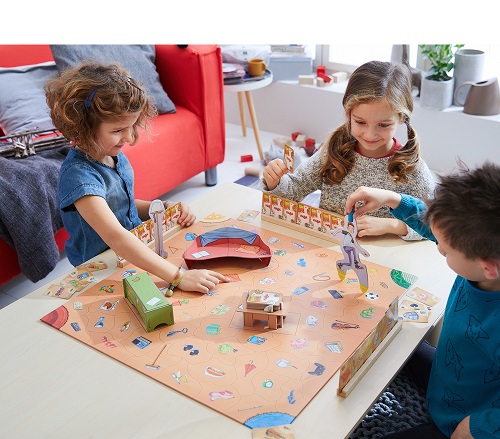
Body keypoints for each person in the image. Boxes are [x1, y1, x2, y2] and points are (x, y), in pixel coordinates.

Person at [341, 161, 500, 439]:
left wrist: (477, 427)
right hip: (451, 375)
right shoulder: (484, 258)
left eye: (444, 249)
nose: (438, 246)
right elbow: (438, 226)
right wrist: (392, 199)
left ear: (488, 268)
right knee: (390, 339)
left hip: (463, 435)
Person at [45, 61, 228, 294]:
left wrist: (161, 207)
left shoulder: (112, 154)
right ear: (83, 128)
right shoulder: (80, 179)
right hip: (100, 270)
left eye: (132, 127)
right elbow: (117, 238)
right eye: (117, 130)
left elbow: (123, 206)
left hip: (131, 254)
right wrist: (179, 277)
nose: (130, 138)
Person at [261, 60, 436, 240]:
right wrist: (275, 182)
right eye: (360, 122)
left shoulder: (413, 170)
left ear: (401, 118)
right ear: (349, 114)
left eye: (383, 125)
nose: (370, 134)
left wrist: (393, 225)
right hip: (328, 248)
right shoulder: (332, 152)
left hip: (383, 255)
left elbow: (437, 225)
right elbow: (291, 192)